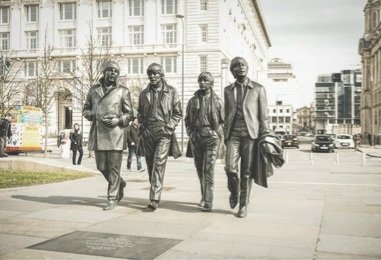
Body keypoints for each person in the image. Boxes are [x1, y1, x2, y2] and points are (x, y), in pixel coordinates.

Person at [83, 61, 133, 211]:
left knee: (114, 168)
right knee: (101, 166)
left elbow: (130, 113)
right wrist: (93, 114)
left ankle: (112, 198)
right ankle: (120, 183)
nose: (113, 73)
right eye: (110, 70)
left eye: (116, 71)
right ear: (104, 72)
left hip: (115, 133)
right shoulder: (94, 90)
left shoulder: (123, 91)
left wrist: (118, 120)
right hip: (99, 133)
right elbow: (86, 108)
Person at [224, 57, 270, 218]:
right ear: (232, 71)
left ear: (247, 68)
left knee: (246, 172)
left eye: (243, 65)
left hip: (252, 135)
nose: (241, 67)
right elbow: (227, 113)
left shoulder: (258, 89)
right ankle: (234, 192)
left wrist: (265, 137)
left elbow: (263, 117)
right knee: (230, 168)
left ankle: (243, 205)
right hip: (233, 134)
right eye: (237, 66)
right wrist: (225, 134)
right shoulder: (228, 90)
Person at [137, 63, 182, 211]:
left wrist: (168, 128)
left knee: (158, 163)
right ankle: (155, 189)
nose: (152, 76)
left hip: (163, 132)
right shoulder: (144, 94)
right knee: (150, 165)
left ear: (161, 74)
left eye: (156, 73)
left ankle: (154, 198)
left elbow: (177, 113)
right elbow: (140, 113)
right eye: (150, 73)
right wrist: (142, 127)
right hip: (148, 132)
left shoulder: (172, 92)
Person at [185, 72, 224, 212]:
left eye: (205, 80)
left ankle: (208, 200)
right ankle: (204, 196)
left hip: (211, 139)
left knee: (208, 170)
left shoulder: (217, 101)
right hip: (197, 138)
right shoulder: (192, 100)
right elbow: (187, 120)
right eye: (200, 80)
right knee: (200, 170)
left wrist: (216, 133)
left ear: (211, 83)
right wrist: (190, 133)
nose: (202, 83)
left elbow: (223, 121)